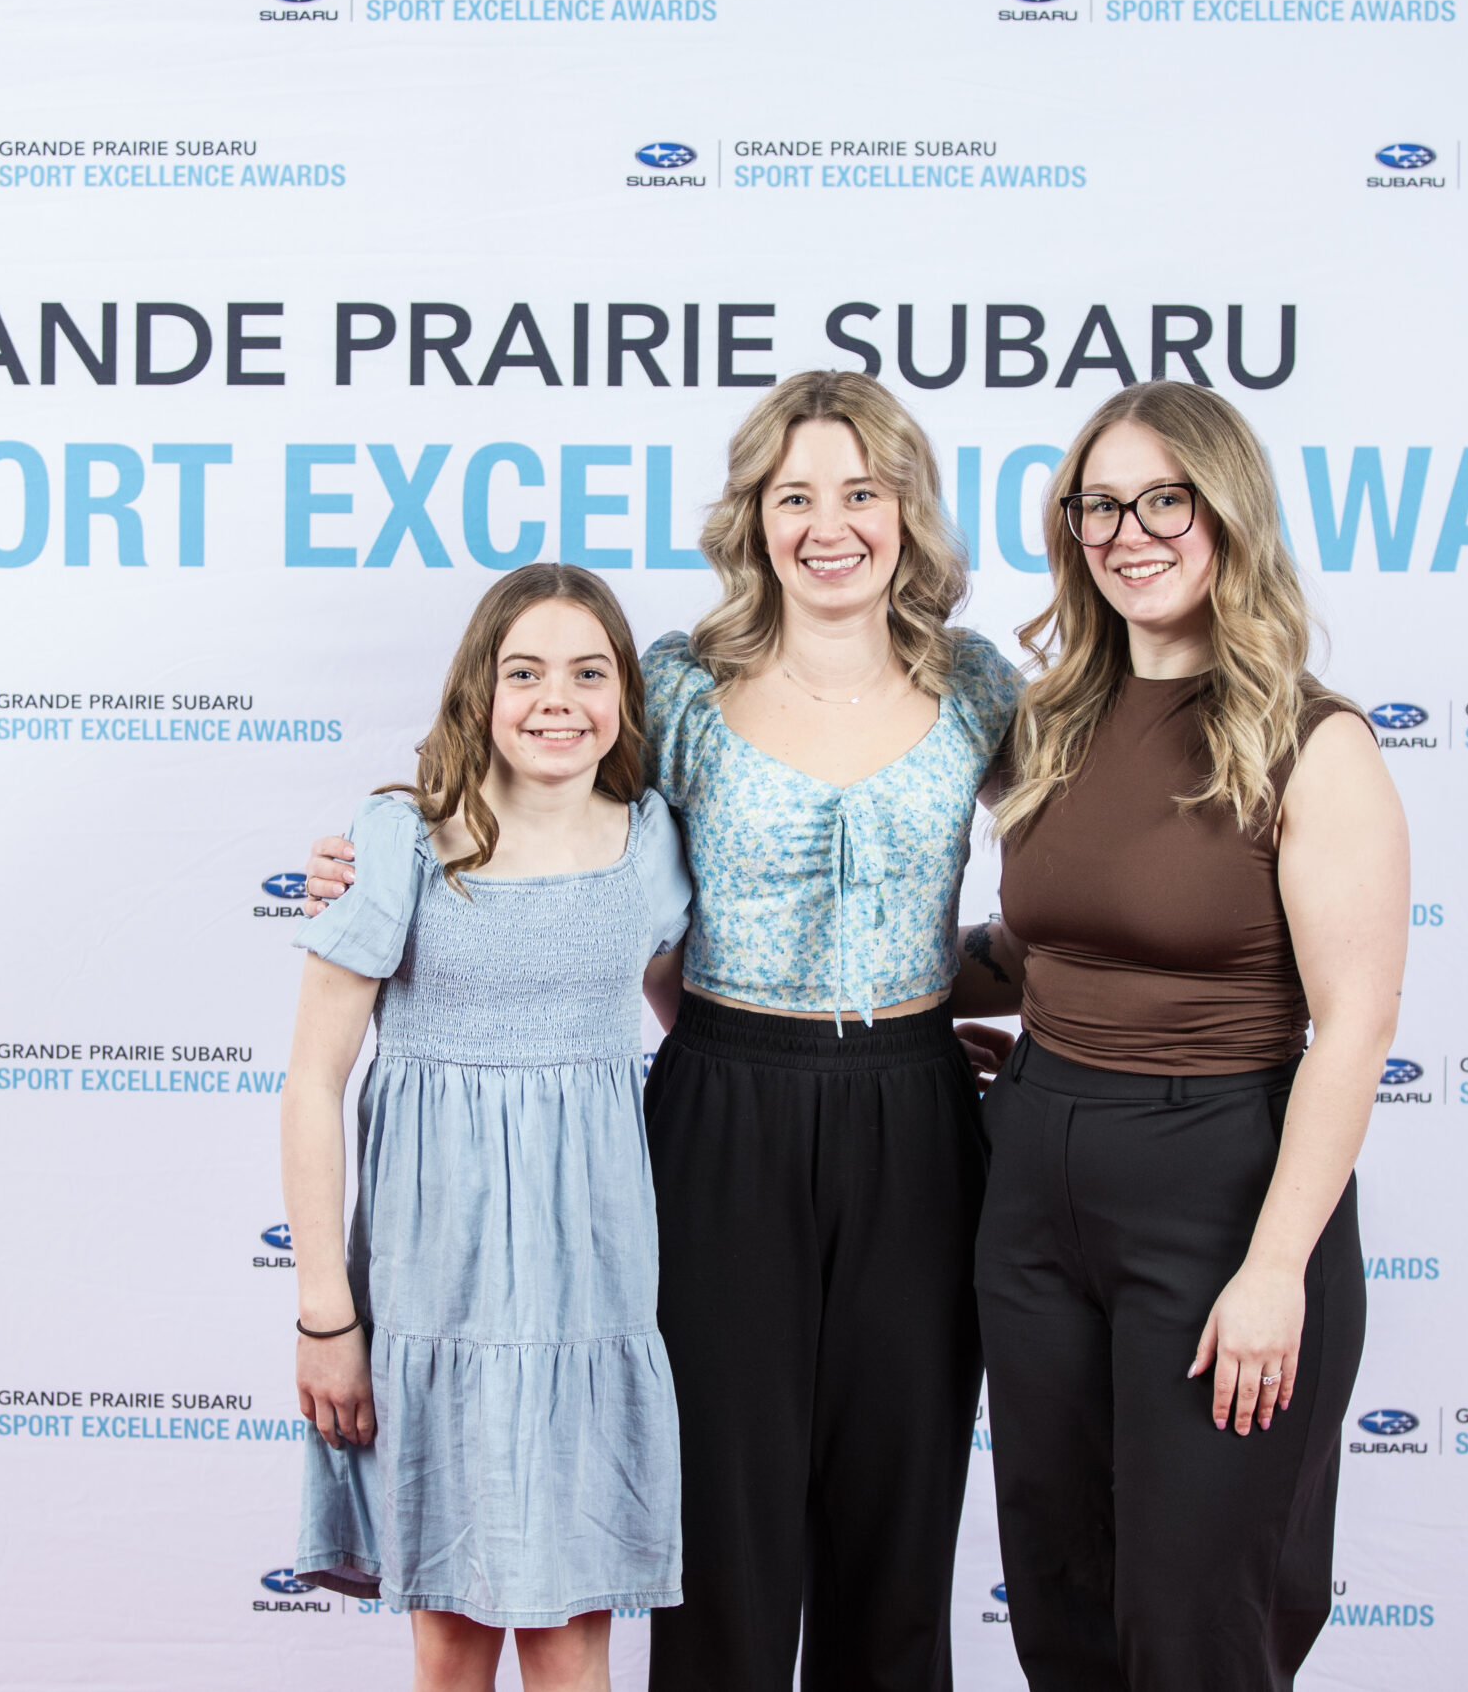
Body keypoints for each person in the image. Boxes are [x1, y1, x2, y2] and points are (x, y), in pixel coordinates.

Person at [308, 371, 1019, 1692]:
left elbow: (1078, 875)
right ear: (752, 516)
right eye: (793, 495)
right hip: (721, 1103)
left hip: (918, 1108)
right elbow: (555, 826)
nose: (828, 525)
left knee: (901, 1516)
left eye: (861, 492)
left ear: (908, 511)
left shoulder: (979, 682)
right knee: (722, 1529)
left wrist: (1019, 1006)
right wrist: (385, 850)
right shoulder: (685, 683)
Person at [948, 379, 1408, 1691]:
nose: (1129, 533)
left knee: (1199, 1619)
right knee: (1061, 1597)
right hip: (1035, 1174)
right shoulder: (1050, 719)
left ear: (1228, 512)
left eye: (1165, 500)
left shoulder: (1313, 741)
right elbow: (1044, 943)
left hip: (1221, 1190)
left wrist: (1274, 1268)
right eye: (1098, 505)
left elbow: (1355, 1024)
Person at [279, 564, 692, 1692]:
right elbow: (313, 1082)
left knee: (571, 1646)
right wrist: (326, 1314)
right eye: (526, 672)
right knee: (450, 1645)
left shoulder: (652, 842)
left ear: (623, 695)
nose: (558, 700)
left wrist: (895, 1041)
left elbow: (701, 1027)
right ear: (481, 688)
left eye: (589, 673)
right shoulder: (400, 841)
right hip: (436, 1288)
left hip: (590, 1291)